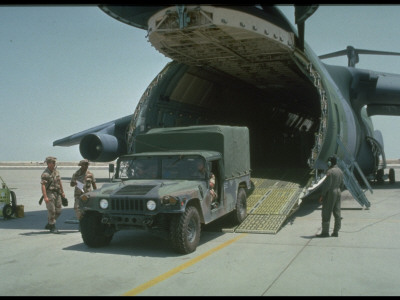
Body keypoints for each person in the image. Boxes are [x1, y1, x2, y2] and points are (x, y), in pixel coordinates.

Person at [316, 156, 345, 238]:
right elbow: (342, 184)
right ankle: (336, 232)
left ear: (330, 162)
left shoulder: (330, 172)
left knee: (326, 212)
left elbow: (327, 186)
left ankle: (325, 233)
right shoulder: (340, 171)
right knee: (337, 212)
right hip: (338, 191)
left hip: (331, 192)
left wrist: (322, 195)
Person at [41, 156, 65, 234]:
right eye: (53, 162)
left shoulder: (56, 172)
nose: (54, 164)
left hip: (57, 193)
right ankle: (52, 226)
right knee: (52, 210)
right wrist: (45, 197)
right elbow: (43, 185)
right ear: (48, 163)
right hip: (49, 193)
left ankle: (49, 223)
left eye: (55, 162)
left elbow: (59, 182)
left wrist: (62, 192)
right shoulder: (45, 174)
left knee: (59, 211)